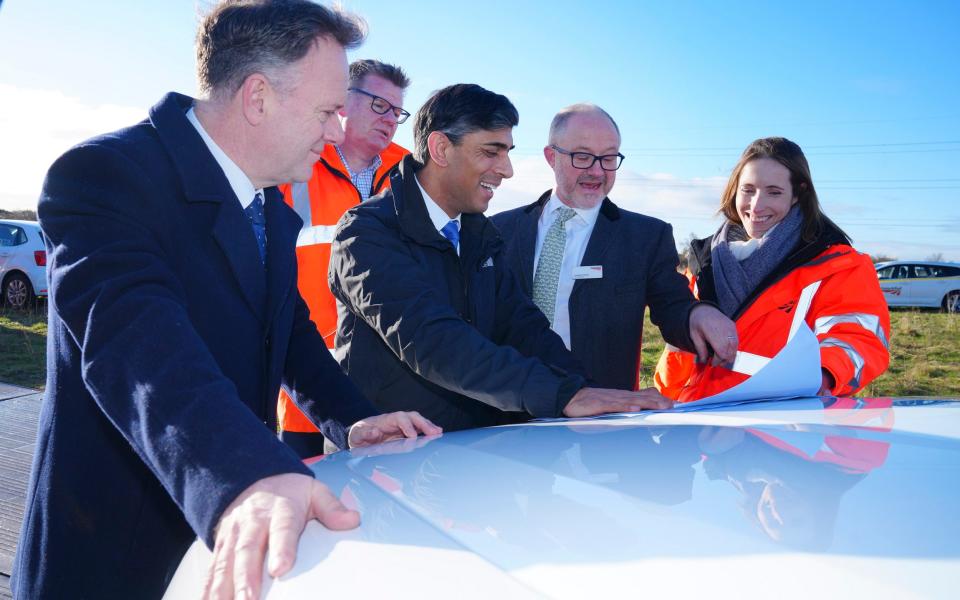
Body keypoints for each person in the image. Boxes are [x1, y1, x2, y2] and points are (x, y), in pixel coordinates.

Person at [12, 2, 440, 599]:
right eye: (327, 111)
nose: (337, 130)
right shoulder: (105, 175)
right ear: (258, 97)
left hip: (231, 535)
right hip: (117, 544)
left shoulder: (268, 202)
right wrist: (245, 472)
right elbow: (136, 344)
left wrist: (353, 418)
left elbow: (288, 332)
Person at [328, 84, 699, 433]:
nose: (507, 170)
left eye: (507, 152)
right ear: (440, 149)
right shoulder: (366, 233)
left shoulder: (479, 235)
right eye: (491, 152)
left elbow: (523, 326)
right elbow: (432, 340)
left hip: (471, 455)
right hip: (389, 461)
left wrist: (585, 390)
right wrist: (563, 395)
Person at [492, 103, 737, 390]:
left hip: (601, 418)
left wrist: (697, 315)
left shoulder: (645, 237)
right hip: (505, 415)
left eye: (608, 158)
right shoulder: (497, 231)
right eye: (582, 157)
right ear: (551, 156)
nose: (597, 171)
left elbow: (673, 305)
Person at [654, 137, 890, 401]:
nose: (756, 205)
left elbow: (858, 338)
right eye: (748, 190)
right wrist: (668, 397)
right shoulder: (703, 262)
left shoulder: (838, 265)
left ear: (798, 194)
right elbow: (679, 349)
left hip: (780, 423)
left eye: (773, 192)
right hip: (696, 419)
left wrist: (822, 377)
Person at [278, 59, 412, 458]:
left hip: (391, 389)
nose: (389, 119)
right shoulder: (292, 166)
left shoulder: (411, 174)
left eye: (397, 111)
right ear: (341, 102)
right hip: (308, 390)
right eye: (378, 105)